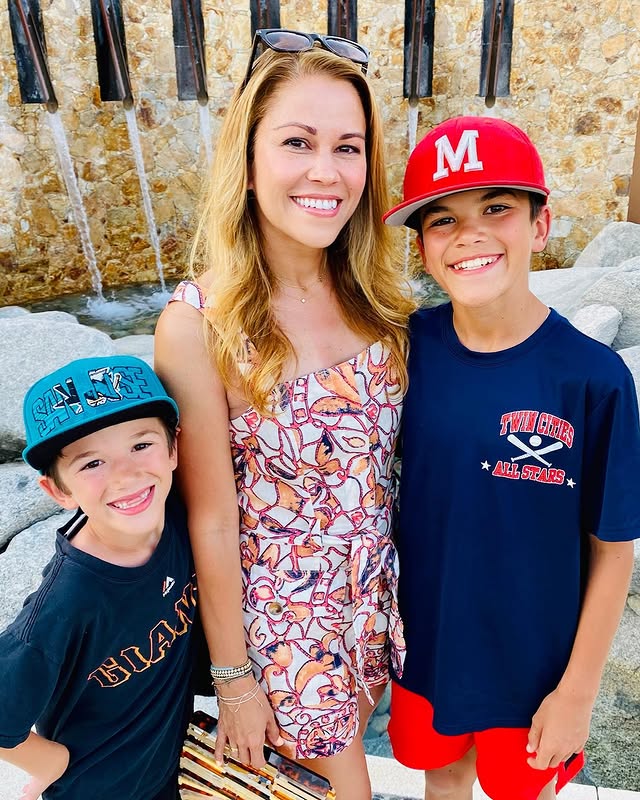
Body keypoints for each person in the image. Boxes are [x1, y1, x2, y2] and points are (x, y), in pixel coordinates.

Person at [154, 29, 414, 800]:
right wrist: (234, 679)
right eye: (298, 142)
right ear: (248, 160)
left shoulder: (377, 299)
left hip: (373, 601)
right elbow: (210, 517)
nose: (326, 171)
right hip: (285, 630)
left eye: (348, 147)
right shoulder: (199, 323)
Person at [382, 114, 640, 800]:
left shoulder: (594, 380)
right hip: (429, 648)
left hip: (535, 666)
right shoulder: (403, 352)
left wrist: (578, 692)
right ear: (423, 248)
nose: (469, 234)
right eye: (443, 219)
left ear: (540, 225)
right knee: (443, 779)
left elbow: (613, 550)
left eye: (496, 208)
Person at [0, 355, 197, 800]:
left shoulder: (179, 515)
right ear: (58, 490)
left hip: (163, 772)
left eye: (140, 445)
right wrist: (51, 764)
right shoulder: (68, 600)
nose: (126, 475)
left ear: (173, 448)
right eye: (92, 464)